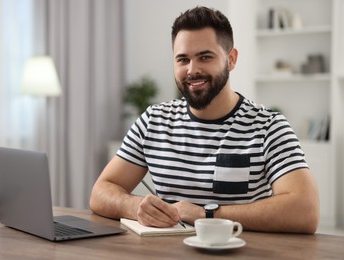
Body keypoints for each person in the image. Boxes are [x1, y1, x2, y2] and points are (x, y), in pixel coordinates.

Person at [90, 6, 319, 234]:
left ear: (231, 59)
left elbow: (305, 211)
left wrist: (207, 214)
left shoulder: (268, 126)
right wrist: (136, 206)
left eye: (205, 57)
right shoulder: (153, 121)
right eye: (182, 59)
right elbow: (100, 192)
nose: (192, 70)